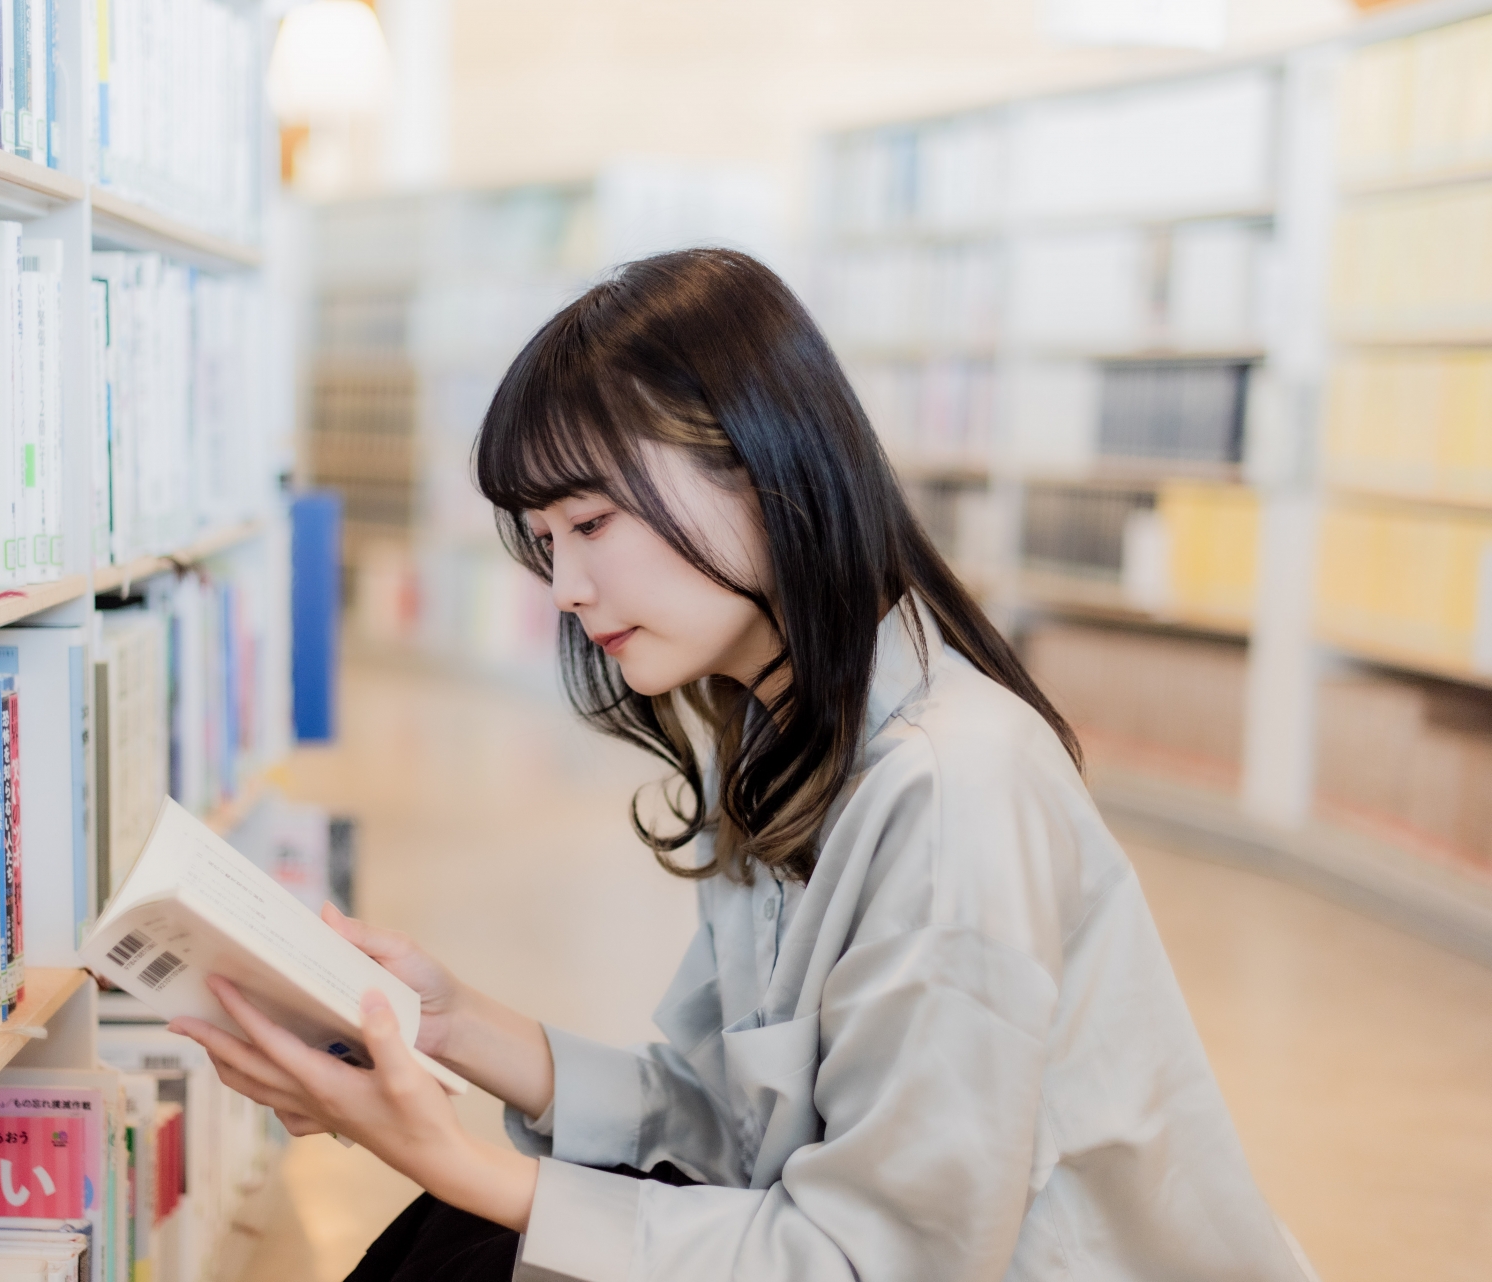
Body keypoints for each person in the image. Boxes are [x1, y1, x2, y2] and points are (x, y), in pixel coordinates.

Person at [167, 248, 1319, 1281]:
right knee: (467, 1241)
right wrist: (452, 1020)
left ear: (760, 466)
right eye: (547, 542)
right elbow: (729, 1123)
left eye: (591, 523)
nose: (564, 588)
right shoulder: (778, 731)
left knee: (480, 1239)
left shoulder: (953, 785)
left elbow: (877, 1259)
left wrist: (459, 1159)